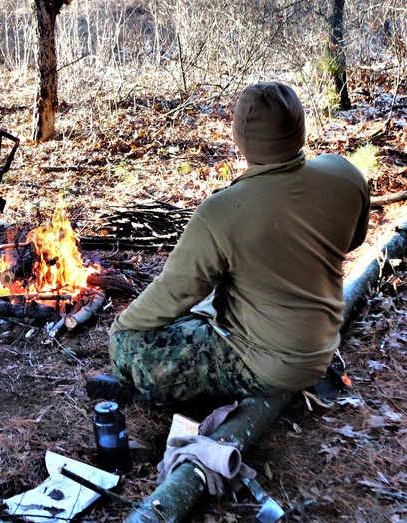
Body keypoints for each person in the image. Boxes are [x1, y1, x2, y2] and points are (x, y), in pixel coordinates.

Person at [86, 82, 370, 405]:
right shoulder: (345, 174)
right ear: (299, 128)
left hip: (270, 363)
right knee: (202, 313)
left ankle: (170, 392)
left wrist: (121, 330)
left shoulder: (223, 212)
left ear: (241, 138)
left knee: (130, 349)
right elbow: (353, 240)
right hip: (322, 341)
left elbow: (174, 291)